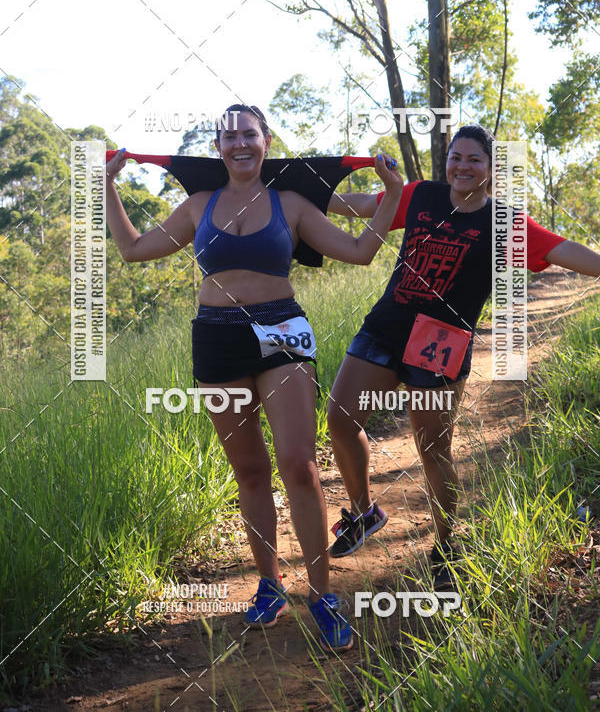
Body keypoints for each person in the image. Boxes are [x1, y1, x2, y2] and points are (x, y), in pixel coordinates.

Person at [105, 104, 403, 651]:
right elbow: (131, 250)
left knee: (299, 464)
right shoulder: (198, 205)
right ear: (218, 146)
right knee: (249, 469)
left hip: (281, 330)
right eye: (229, 136)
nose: (239, 143)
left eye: (250, 134)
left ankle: (322, 595)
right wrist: (107, 185)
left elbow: (361, 253)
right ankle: (270, 584)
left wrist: (392, 195)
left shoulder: (291, 204)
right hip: (216, 336)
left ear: (266, 141)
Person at [327, 124, 600, 588]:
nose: (462, 166)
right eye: (456, 157)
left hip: (441, 341)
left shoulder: (506, 224)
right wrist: (302, 192)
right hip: (387, 327)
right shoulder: (419, 195)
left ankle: (448, 546)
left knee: (433, 449)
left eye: (474, 160)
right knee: (340, 418)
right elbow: (367, 205)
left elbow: (563, 249)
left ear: (491, 171)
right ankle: (363, 511)